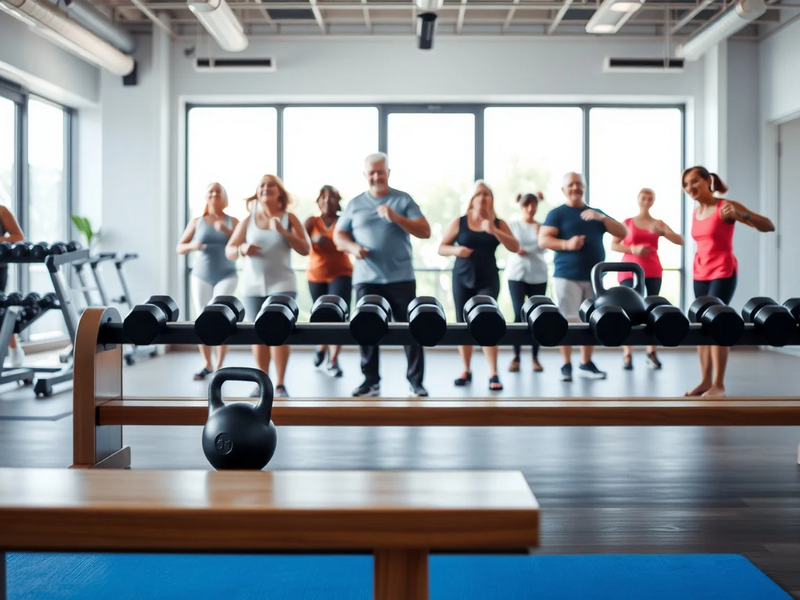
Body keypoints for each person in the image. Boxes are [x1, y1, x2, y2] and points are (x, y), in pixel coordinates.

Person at [334, 152, 431, 398]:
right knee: (366, 329)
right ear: (365, 175)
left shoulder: (402, 200)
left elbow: (425, 230)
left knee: (411, 330)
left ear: (389, 172)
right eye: (372, 172)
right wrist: (354, 248)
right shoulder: (355, 204)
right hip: (367, 279)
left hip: (400, 277)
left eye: (381, 171)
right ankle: (370, 381)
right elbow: (339, 236)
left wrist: (396, 218)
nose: (376, 176)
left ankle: (416, 383)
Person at [682, 166, 774, 397]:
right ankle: (704, 381)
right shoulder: (695, 213)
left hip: (722, 271)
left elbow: (767, 226)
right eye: (685, 184)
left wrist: (743, 216)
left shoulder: (725, 207)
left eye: (694, 181)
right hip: (699, 274)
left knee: (718, 323)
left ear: (706, 181)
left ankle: (719, 385)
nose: (689, 187)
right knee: (701, 326)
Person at [538, 172, 628, 382]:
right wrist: (566, 244)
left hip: (594, 279)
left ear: (584, 187)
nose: (575, 188)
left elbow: (622, 232)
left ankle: (586, 363)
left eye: (579, 184)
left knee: (592, 320)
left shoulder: (595, 213)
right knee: (567, 320)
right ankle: (566, 364)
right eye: (571, 184)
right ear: (564, 189)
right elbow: (543, 240)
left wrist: (602, 218)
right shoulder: (557, 214)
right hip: (566, 277)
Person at [226, 175, 311, 398]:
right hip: (253, 286)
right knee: (258, 334)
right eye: (262, 185)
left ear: (279, 192)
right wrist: (242, 249)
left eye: (270, 184)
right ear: (257, 192)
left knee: (279, 333)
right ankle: (262, 382)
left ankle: (280, 384)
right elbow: (230, 249)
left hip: (282, 284)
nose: (265, 188)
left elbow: (305, 249)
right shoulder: (248, 220)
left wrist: (283, 231)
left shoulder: (289, 218)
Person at [439, 181, 519, 391]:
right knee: (462, 322)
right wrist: (457, 251)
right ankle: (465, 369)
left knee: (488, 321)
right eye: (478, 194)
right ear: (472, 199)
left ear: (491, 199)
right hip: (462, 277)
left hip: (488, 278)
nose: (482, 198)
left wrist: (493, 230)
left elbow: (515, 247)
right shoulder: (460, 222)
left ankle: (493, 372)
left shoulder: (498, 223)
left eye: (487, 194)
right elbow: (442, 248)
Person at [611, 188, 684, 371]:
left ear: (653, 201)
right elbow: (613, 245)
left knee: (652, 311)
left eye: (650, 198)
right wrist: (633, 249)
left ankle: (651, 352)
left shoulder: (658, 223)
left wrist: (663, 232)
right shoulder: (627, 223)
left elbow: (680, 240)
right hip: (629, 273)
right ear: (638, 199)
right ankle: (627, 353)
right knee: (628, 312)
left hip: (652, 271)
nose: (646, 200)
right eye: (643, 197)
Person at [176, 183, 239, 381]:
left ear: (224, 197)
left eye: (217, 191)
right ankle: (207, 364)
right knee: (203, 318)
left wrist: (227, 231)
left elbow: (240, 244)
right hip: (201, 275)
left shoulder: (233, 221)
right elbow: (180, 247)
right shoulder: (197, 221)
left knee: (220, 316)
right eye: (210, 191)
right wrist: (192, 244)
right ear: (206, 196)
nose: (213, 194)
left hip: (227, 274)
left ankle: (220, 365)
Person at [304, 184, 353, 378]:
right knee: (320, 315)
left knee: (339, 316)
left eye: (332, 197)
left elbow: (351, 242)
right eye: (323, 197)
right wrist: (313, 239)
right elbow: (299, 243)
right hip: (316, 275)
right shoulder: (311, 221)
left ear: (338, 201)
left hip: (341, 273)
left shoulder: (344, 221)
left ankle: (333, 360)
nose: (327, 201)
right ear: (318, 201)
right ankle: (321, 346)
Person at [505, 191, 549, 374]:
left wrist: (528, 246)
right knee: (518, 314)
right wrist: (521, 249)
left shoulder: (541, 226)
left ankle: (535, 357)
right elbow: (512, 245)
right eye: (527, 205)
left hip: (538, 275)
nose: (530, 209)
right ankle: (516, 356)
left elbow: (545, 245)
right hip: (516, 275)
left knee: (537, 316)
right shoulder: (513, 224)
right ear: (521, 206)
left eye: (534, 205)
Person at [0, 206, 25, 367]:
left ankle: (14, 348)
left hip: (0, 267)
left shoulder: (1, 210)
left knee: (1, 309)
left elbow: (18, 237)